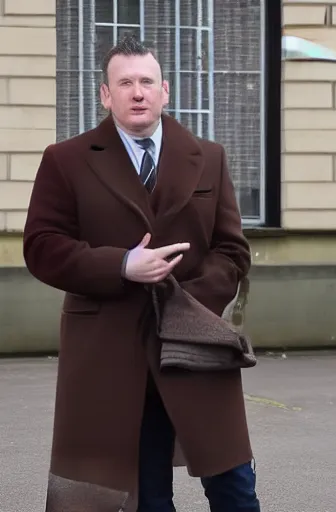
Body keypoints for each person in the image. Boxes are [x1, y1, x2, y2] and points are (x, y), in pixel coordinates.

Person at [23, 35, 260, 512]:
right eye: (125, 82)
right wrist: (122, 265)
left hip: (193, 345)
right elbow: (42, 248)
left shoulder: (207, 156)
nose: (137, 92)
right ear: (106, 95)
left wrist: (186, 302)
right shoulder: (65, 160)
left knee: (234, 485)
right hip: (111, 353)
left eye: (146, 82)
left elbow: (232, 251)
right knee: (145, 495)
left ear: (165, 91)